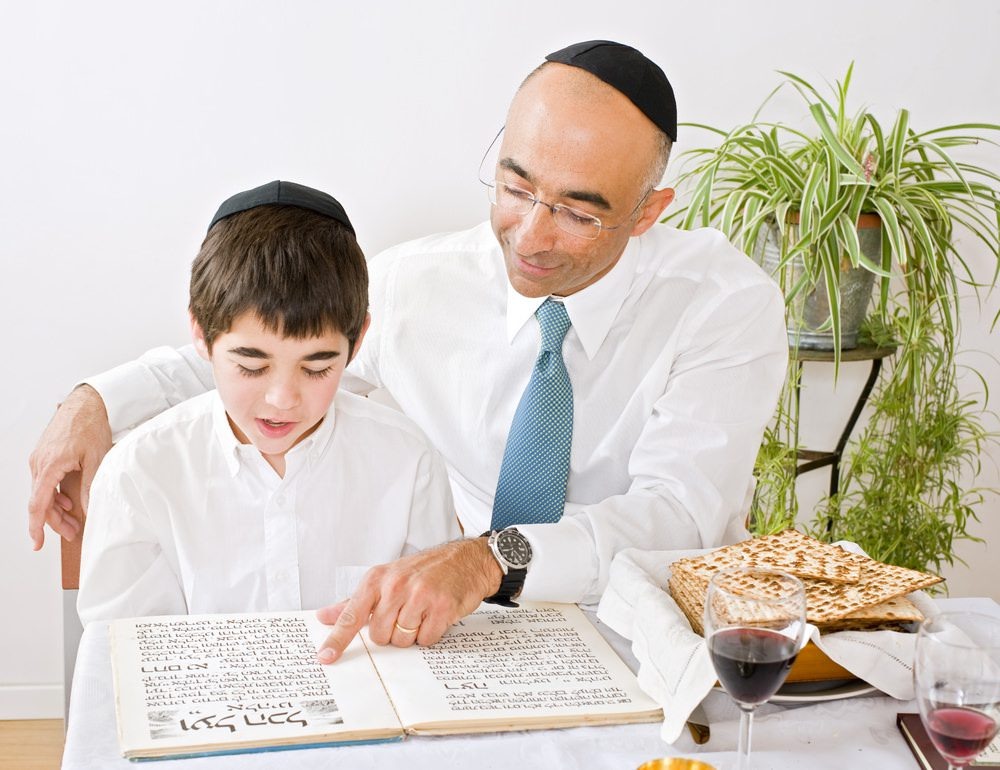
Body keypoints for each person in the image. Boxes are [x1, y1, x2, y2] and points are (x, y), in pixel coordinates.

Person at [29, 41, 787, 659]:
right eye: (516, 188)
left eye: (578, 214)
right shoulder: (418, 284)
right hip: (464, 641)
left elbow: (679, 514)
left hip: (644, 633)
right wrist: (94, 401)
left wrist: (496, 556)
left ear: (650, 211)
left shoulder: (721, 306)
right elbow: (270, 349)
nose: (529, 236)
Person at [76, 180, 460, 624]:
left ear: (357, 344)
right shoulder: (138, 475)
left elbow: (431, 638)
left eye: (316, 368)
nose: (282, 400)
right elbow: (124, 664)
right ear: (201, 333)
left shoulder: (408, 462)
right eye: (252, 366)